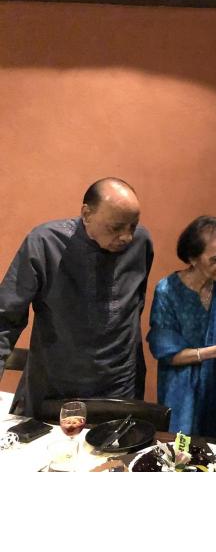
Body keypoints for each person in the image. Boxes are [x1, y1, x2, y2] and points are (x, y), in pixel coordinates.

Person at [0, 177, 153, 417]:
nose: (127, 237)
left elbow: (135, 306)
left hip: (119, 384)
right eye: (116, 227)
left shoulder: (141, 243)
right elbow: (6, 318)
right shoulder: (44, 242)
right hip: (55, 385)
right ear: (86, 214)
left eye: (133, 226)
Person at [147, 216, 216, 438]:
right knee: (180, 452)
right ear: (193, 258)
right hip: (180, 392)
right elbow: (168, 355)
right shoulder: (168, 290)